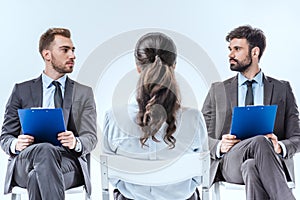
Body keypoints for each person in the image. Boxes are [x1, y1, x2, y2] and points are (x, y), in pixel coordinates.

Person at [102, 32, 208, 200]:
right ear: (174, 66)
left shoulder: (113, 117)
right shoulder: (194, 118)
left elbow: (111, 173)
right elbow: (201, 173)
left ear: (138, 67)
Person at [202, 25, 300, 200]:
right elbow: (199, 137)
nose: (230, 55)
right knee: (260, 142)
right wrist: (218, 145)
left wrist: (280, 146)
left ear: (255, 52)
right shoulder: (218, 90)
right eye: (230, 49)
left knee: (252, 166)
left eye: (237, 49)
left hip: (269, 162)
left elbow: (297, 137)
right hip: (230, 163)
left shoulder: (282, 89)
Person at [0, 28, 97, 199]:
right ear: (47, 55)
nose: (73, 56)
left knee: (35, 177)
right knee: (44, 151)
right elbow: (5, 137)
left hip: (67, 162)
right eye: (65, 50)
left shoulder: (84, 93)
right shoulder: (21, 91)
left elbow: (90, 137)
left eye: (73, 50)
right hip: (26, 160)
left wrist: (76, 142)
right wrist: (16, 143)